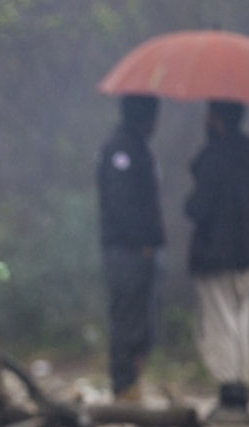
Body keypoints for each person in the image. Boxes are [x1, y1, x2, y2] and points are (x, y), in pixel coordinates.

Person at [184, 101, 249, 426]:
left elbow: (198, 207)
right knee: (241, 322)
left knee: (220, 324)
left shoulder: (214, 158)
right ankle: (241, 391)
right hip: (247, 256)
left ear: (218, 119)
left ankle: (230, 393)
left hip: (215, 257)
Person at [96, 95, 165, 402]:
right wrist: (139, 242)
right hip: (126, 251)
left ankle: (132, 381)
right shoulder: (120, 150)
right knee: (127, 317)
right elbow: (120, 204)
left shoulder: (138, 147)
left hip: (140, 251)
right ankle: (124, 384)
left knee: (142, 320)